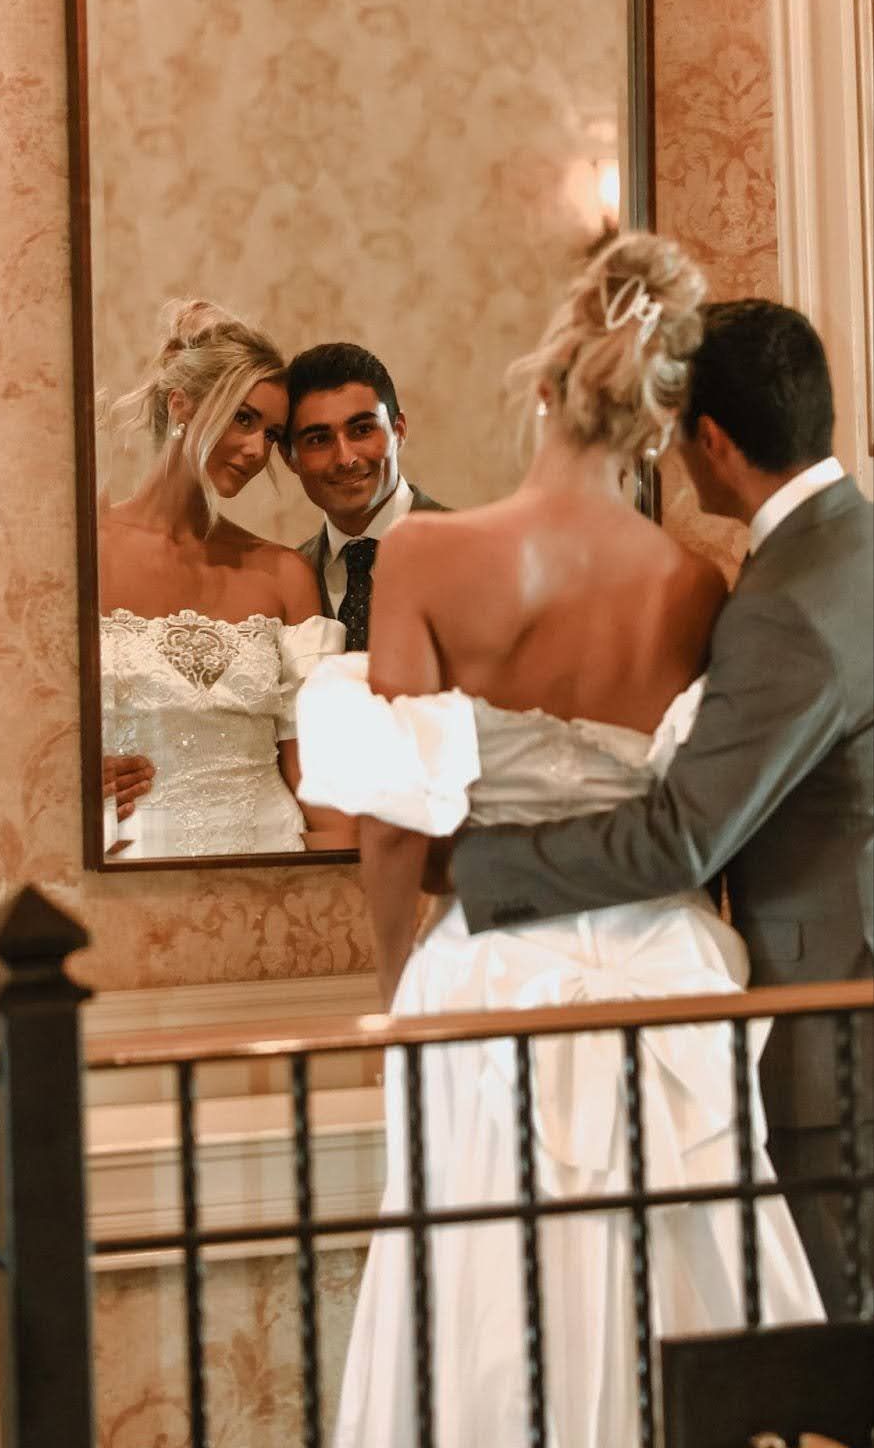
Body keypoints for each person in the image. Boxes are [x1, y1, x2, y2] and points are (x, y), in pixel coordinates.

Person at [297, 236, 823, 1447]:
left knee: (487, 1287)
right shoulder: (695, 582)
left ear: (541, 387)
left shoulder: (426, 553)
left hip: (491, 973)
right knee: (675, 1272)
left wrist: (395, 992)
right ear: (656, 430)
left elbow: (394, 823)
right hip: (663, 974)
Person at [450, 298, 874, 1319]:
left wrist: (471, 870)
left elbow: (686, 832)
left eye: (679, 433)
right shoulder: (848, 544)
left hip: (831, 1012)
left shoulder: (786, 600)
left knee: (841, 1342)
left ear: (713, 440)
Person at [99, 298, 345, 857]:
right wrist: (61, 785)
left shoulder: (285, 573)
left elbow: (318, 776)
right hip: (127, 867)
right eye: (243, 418)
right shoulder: (81, 555)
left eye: (273, 433)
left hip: (274, 863)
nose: (258, 450)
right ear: (181, 404)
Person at [278, 342, 446, 648]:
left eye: (361, 430)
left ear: (399, 431)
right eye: (319, 439)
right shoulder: (289, 580)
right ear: (289, 457)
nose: (345, 458)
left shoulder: (469, 546)